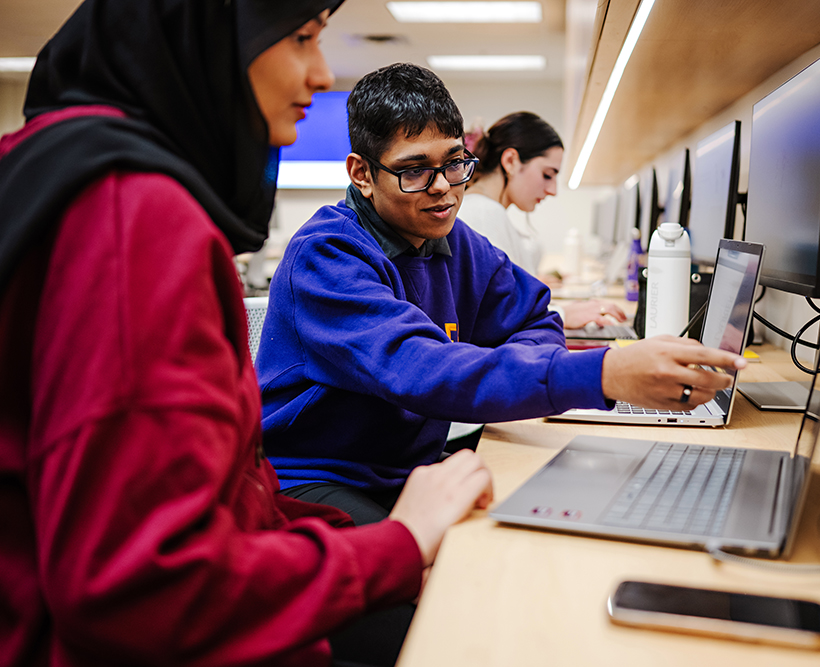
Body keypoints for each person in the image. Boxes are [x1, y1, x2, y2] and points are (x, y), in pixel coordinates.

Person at [0, 3, 492, 666]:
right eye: (300, 39)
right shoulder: (132, 213)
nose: (320, 74)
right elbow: (141, 586)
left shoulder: (58, 165)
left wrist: (373, 545)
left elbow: (218, 502)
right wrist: (398, 543)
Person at [256, 63, 746, 526]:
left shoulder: (452, 240)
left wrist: (530, 371)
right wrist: (604, 373)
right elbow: (423, 371)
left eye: (454, 164)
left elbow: (535, 318)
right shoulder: (327, 257)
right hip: (316, 478)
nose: (443, 190)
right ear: (362, 174)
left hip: (409, 466)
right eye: (414, 171)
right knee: (431, 584)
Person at [462, 111, 626, 329]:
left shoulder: (485, 210)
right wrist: (563, 314)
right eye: (547, 175)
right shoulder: (484, 212)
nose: (553, 190)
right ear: (510, 161)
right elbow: (499, 315)